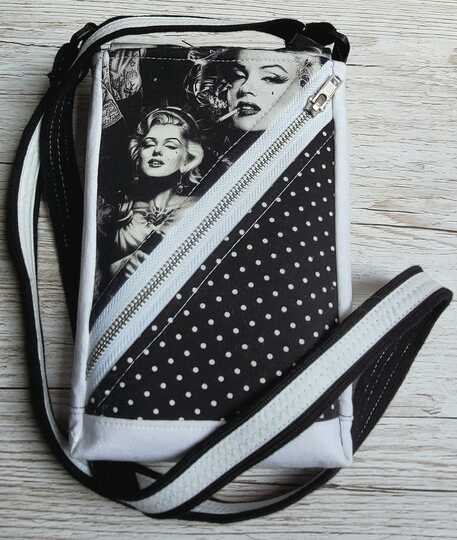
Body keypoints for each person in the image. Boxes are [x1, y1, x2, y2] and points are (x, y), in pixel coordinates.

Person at [107, 106, 204, 280]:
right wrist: (120, 267)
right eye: (149, 144)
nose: (157, 150)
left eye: (170, 146)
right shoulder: (118, 208)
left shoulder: (199, 206)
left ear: (187, 158)